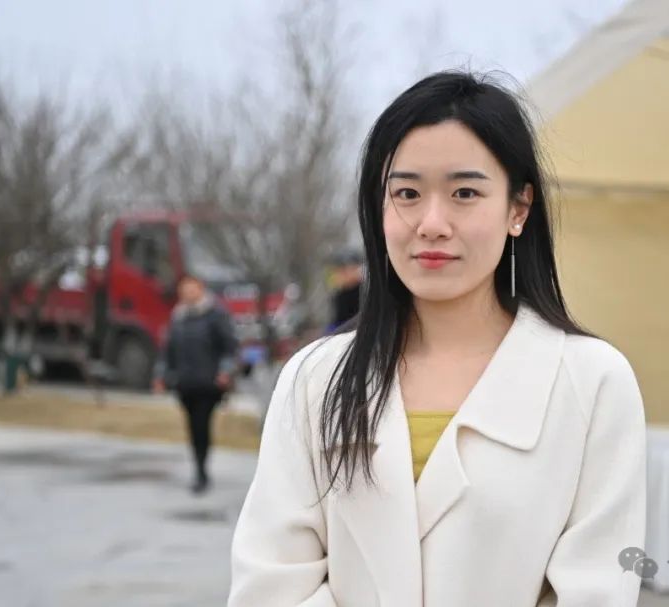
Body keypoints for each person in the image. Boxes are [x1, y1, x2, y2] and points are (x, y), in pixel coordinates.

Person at [228, 71, 647, 606]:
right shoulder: (316, 378)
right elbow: (271, 584)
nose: (431, 223)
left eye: (464, 193)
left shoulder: (593, 381)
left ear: (518, 209)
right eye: (406, 193)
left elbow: (597, 587)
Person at [152, 274, 239, 495]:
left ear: (201, 289)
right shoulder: (178, 317)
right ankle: (199, 465)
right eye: (184, 289)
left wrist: (225, 371)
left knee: (202, 424)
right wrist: (162, 375)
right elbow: (168, 351)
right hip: (184, 383)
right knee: (192, 426)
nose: (188, 293)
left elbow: (229, 347)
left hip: (208, 384)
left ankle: (201, 471)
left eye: (192, 288)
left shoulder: (216, 315)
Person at [326, 250, 364, 333]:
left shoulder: (364, 292)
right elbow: (336, 322)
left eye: (344, 270)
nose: (340, 274)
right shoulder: (339, 295)